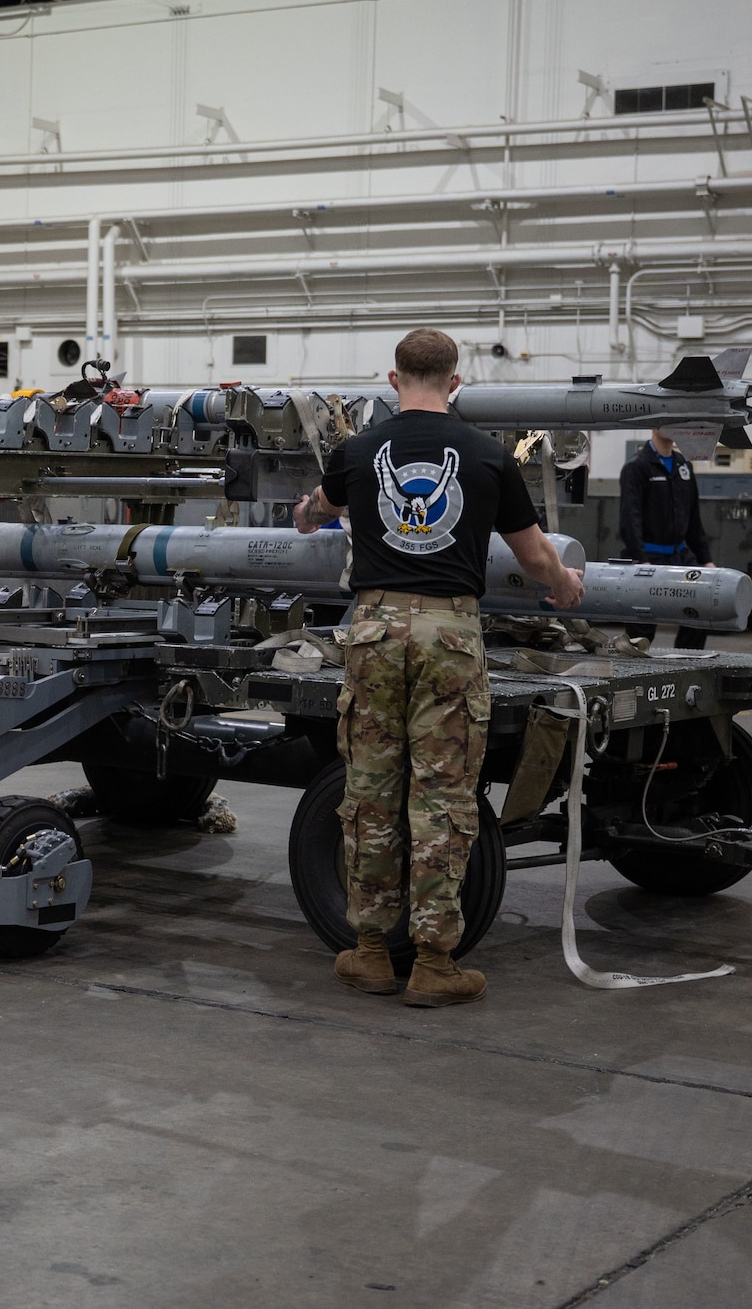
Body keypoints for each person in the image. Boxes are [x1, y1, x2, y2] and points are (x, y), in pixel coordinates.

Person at [293, 329, 585, 1007]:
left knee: (370, 789)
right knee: (442, 796)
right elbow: (535, 555)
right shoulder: (487, 456)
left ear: (393, 381)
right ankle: (432, 963)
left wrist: (306, 512)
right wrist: (565, 584)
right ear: (455, 383)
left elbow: (317, 511)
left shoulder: (358, 451)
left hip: (374, 631)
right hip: (450, 635)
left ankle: (369, 953)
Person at [619, 428, 716, 650]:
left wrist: (706, 560)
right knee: (641, 630)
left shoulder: (684, 466)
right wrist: (641, 560)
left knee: (699, 610)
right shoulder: (637, 467)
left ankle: (687, 661)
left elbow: (693, 520)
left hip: (680, 556)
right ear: (654, 425)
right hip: (648, 558)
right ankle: (635, 667)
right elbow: (629, 520)